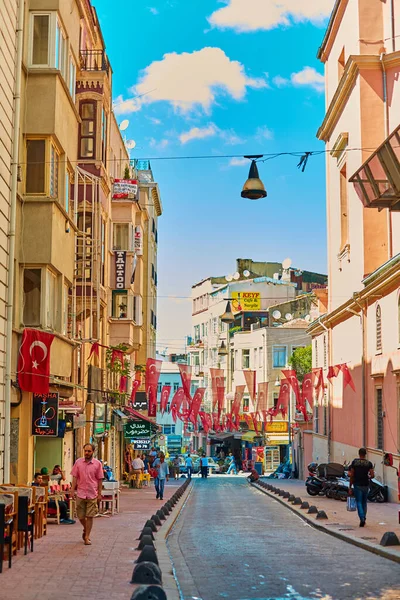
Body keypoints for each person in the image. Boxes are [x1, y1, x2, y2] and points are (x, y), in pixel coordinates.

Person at [71, 443, 104, 545]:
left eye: (89, 451)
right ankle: (86, 528)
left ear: (93, 452)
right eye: (85, 451)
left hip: (92, 493)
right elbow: (75, 477)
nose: (87, 453)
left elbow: (99, 480)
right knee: (80, 516)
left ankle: (87, 537)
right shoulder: (78, 462)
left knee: (90, 516)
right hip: (80, 493)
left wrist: (99, 494)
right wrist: (72, 490)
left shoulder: (97, 464)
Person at [348, 447, 374, 527]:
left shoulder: (354, 462)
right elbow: (372, 475)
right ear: (365, 454)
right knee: (364, 502)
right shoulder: (369, 463)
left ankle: (362, 518)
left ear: (359, 454)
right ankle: (364, 518)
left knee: (358, 501)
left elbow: (352, 475)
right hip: (365, 484)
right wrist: (368, 477)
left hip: (357, 484)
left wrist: (350, 486)